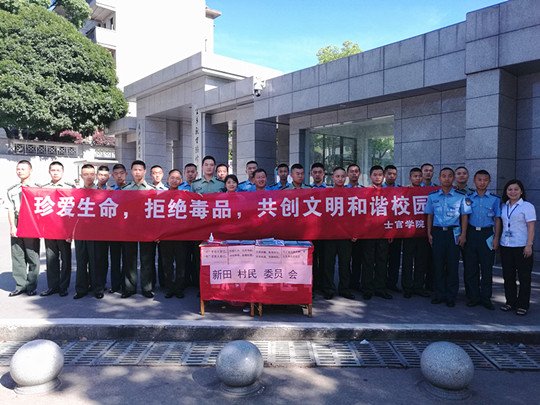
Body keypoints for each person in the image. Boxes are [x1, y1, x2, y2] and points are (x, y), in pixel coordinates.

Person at [425, 167, 471, 308]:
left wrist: (463, 234)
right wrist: (429, 233)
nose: (447, 178)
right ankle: (439, 294)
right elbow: (429, 216)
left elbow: (464, 217)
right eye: (444, 176)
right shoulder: (432, 196)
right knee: (438, 265)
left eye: (450, 176)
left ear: (453, 178)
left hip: (453, 233)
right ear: (439, 179)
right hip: (438, 233)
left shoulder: (461, 196)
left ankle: (451, 296)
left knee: (452, 265)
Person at [463, 170, 501, 310]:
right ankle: (473, 297)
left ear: (489, 181)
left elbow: (497, 219)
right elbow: (465, 217)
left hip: (487, 235)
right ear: (474, 181)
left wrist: (496, 238)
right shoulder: (468, 198)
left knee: (486, 268)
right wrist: (463, 235)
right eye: (479, 179)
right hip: (471, 234)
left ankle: (486, 298)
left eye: (485, 180)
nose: (482, 182)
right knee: (471, 267)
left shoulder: (495, 199)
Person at [499, 179, 536, 316]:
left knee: (524, 277)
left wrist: (529, 245)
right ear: (506, 192)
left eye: (516, 189)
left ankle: (523, 305)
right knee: (508, 276)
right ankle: (510, 302)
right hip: (506, 245)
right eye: (510, 189)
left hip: (522, 246)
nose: (513, 192)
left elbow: (531, 226)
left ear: (521, 191)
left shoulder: (527, 206)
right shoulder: (504, 206)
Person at [122, 160, 156, 299]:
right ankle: (129, 288)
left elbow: (156, 211)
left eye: (140, 170)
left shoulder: (152, 189)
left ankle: (147, 287)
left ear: (145, 172)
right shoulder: (125, 190)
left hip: (146, 229)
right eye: (135, 170)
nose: (137, 172)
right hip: (130, 228)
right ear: (131, 172)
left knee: (146, 259)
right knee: (129, 259)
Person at [40, 161, 75, 297]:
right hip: (49, 230)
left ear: (62, 172)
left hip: (64, 230)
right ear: (49, 172)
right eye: (52, 170)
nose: (55, 173)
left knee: (65, 259)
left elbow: (74, 211)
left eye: (58, 170)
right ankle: (52, 286)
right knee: (51, 259)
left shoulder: (70, 188)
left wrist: (71, 232)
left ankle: (63, 286)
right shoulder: (43, 188)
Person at [7, 160, 40, 297]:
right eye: (18, 169)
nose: (20, 171)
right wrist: (12, 226)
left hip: (31, 222)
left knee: (32, 255)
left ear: (30, 170)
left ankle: (31, 286)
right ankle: (20, 285)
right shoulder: (12, 190)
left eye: (23, 169)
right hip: (17, 220)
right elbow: (10, 209)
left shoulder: (38, 188)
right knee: (18, 255)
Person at [322, 167, 354, 300]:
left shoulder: (351, 194)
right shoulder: (326, 193)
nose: (340, 179)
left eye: (342, 176)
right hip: (329, 235)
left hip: (345, 235)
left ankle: (344, 289)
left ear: (346, 177)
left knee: (345, 264)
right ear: (333, 178)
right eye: (337, 176)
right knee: (328, 264)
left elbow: (356, 216)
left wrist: (354, 232)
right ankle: (328, 289)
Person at [361, 166, 392, 300]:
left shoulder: (389, 192)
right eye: (375, 175)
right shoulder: (364, 192)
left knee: (382, 261)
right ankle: (367, 288)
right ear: (370, 176)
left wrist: (391, 232)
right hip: (368, 233)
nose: (378, 177)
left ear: (383, 176)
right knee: (368, 261)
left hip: (383, 232)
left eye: (380, 175)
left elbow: (393, 214)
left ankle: (380, 288)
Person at [73, 164, 104, 299]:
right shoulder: (76, 193)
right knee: (81, 261)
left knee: (96, 261)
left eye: (91, 174)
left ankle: (98, 289)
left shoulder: (102, 193)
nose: (89, 177)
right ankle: (81, 289)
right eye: (86, 174)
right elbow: (71, 215)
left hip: (96, 232)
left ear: (95, 175)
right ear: (81, 176)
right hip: (80, 231)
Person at [401, 168, 430, 298]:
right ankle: (407, 287)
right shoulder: (405, 191)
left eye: (419, 176)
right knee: (407, 261)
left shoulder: (427, 192)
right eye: (415, 176)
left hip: (423, 232)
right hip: (408, 232)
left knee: (421, 261)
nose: (417, 178)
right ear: (410, 178)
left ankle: (419, 286)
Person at [160, 169, 188, 298]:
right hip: (166, 235)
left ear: (181, 181)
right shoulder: (161, 196)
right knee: (167, 263)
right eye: (172, 178)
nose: (174, 180)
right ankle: (170, 287)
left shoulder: (185, 195)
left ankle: (179, 288)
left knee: (181, 262)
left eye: (177, 178)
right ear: (167, 179)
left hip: (181, 235)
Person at [382, 164, 402, 292]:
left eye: (394, 174)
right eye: (389, 174)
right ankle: (381, 282)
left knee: (395, 259)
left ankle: (392, 283)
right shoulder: (376, 190)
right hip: (381, 231)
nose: (392, 176)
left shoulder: (401, 190)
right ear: (385, 175)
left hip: (396, 230)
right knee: (382, 259)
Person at [109, 164, 127, 294]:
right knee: (115, 259)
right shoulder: (110, 191)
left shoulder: (131, 190)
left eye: (121, 173)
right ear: (112, 176)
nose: (119, 176)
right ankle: (115, 285)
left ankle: (127, 286)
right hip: (114, 231)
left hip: (128, 231)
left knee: (127, 259)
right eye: (116, 174)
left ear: (126, 174)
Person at [309, 162, 327, 293]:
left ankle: (324, 285)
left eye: (319, 172)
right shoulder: (306, 190)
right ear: (311, 174)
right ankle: (313, 285)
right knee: (312, 260)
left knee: (325, 260)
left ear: (324, 174)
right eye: (314, 172)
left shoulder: (330, 190)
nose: (317, 175)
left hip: (325, 231)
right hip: (310, 231)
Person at [346, 164, 363, 291]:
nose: (354, 173)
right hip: (345, 232)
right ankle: (346, 284)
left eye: (356, 171)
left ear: (359, 174)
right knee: (345, 261)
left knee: (358, 260)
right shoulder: (340, 191)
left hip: (360, 232)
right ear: (348, 174)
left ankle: (356, 283)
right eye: (351, 171)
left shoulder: (365, 191)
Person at [150, 165, 167, 289]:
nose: (157, 175)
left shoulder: (167, 191)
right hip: (149, 230)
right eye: (154, 173)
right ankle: (150, 283)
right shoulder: (146, 190)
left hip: (163, 230)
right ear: (150, 175)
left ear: (162, 174)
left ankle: (164, 283)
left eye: (159, 173)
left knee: (164, 258)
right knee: (149, 258)